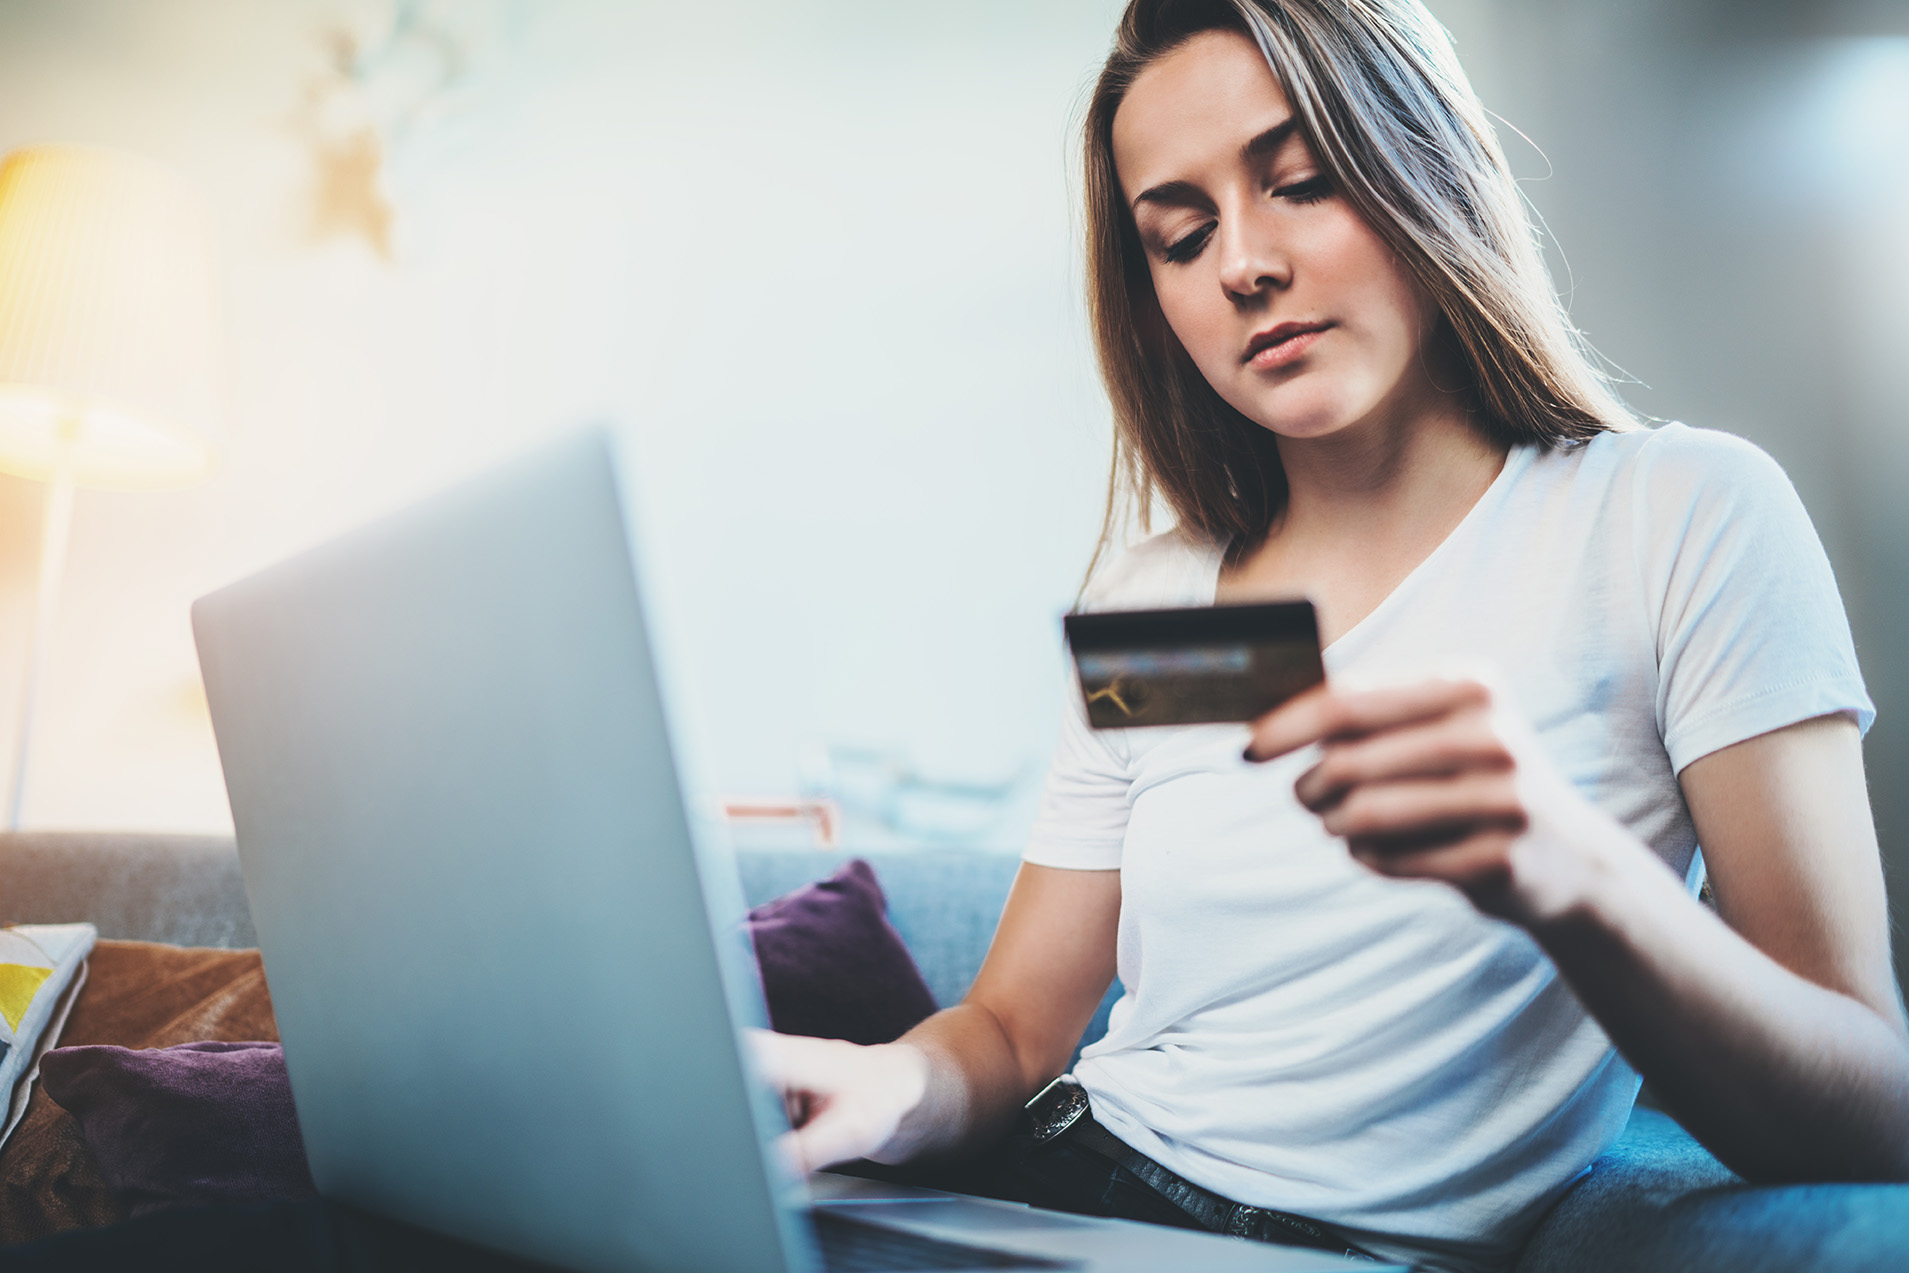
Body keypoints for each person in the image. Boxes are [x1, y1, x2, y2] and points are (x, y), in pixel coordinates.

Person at [752, 0, 1909, 1268]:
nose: (1241, 263)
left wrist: (1576, 877)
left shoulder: (1673, 517)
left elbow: (1870, 1111)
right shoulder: (1162, 605)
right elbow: (1020, 1034)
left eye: (1296, 183)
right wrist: (895, 1088)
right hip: (1058, 1185)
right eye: (1180, 238)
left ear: (1421, 164)